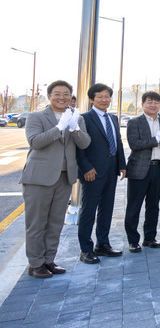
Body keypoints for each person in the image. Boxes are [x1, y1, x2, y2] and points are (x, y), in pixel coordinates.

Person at [20, 80, 90, 278]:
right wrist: (59, 127)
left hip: (65, 177)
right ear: (49, 96)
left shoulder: (76, 118)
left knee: (56, 222)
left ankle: (49, 260)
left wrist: (75, 128)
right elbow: (35, 142)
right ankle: (35, 263)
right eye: (57, 94)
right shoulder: (36, 117)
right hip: (39, 178)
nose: (62, 97)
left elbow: (85, 143)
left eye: (66, 94)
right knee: (36, 223)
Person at [75, 83, 126, 264]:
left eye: (107, 96)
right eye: (100, 96)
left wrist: (122, 165)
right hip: (92, 171)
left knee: (107, 208)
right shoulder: (84, 118)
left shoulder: (112, 118)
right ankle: (86, 249)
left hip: (111, 169)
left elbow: (118, 142)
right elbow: (78, 147)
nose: (104, 100)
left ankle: (102, 244)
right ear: (91, 99)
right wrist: (86, 168)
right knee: (89, 210)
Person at [125, 91, 160, 253]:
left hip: (159, 168)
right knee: (134, 206)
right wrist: (155, 140)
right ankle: (133, 240)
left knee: (153, 206)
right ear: (142, 104)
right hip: (139, 169)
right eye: (149, 102)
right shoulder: (134, 122)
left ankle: (150, 237)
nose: (153, 105)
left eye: (156, 102)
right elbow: (134, 144)